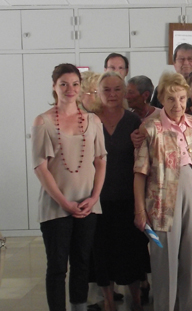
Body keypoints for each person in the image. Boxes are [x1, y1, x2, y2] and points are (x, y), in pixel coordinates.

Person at [133, 72, 192, 311]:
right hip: (160, 202)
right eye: (171, 99)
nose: (177, 104)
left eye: (181, 98)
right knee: (164, 264)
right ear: (161, 99)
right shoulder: (150, 128)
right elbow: (139, 174)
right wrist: (139, 210)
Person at [32, 63, 106, 311]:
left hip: (88, 204)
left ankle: (79, 307)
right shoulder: (43, 121)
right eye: (63, 84)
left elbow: (101, 161)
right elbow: (40, 168)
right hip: (56, 207)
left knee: (83, 262)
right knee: (57, 266)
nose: (70, 89)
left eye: (75, 84)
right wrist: (65, 203)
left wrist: (94, 197)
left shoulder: (93, 120)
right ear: (54, 87)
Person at [93, 71, 151, 311]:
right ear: (98, 92)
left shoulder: (132, 120)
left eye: (118, 89)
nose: (112, 94)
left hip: (128, 198)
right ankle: (108, 302)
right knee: (101, 253)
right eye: (106, 89)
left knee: (132, 253)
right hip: (96, 200)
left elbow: (142, 160)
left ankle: (136, 299)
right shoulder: (90, 120)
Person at [150, 43, 192, 108]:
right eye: (181, 59)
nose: (186, 63)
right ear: (174, 63)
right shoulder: (163, 88)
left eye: (190, 59)